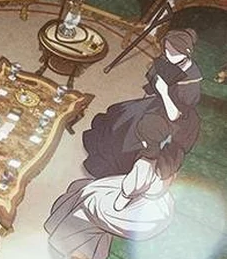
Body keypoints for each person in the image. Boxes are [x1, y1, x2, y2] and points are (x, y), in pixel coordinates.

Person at [45, 113, 183, 259]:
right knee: (92, 197)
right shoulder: (171, 155)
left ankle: (76, 248)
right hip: (158, 208)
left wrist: (111, 204)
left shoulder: (145, 164)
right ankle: (85, 247)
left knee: (87, 200)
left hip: (137, 214)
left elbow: (126, 194)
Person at [82, 28, 202, 179]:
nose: (169, 55)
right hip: (158, 104)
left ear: (186, 53)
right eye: (166, 50)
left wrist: (164, 92)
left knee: (137, 134)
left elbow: (175, 115)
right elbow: (154, 80)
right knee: (121, 117)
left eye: (174, 53)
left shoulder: (191, 83)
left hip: (176, 119)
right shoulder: (169, 59)